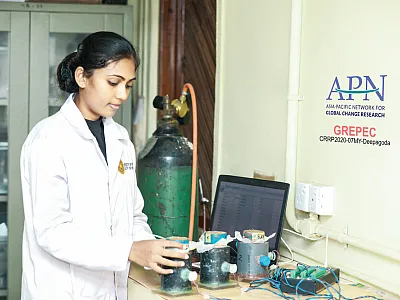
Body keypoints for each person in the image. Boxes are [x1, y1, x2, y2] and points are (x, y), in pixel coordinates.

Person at [20, 31, 187, 300]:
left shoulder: (120, 139)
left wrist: (152, 250)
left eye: (128, 85)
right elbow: (52, 232)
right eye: (113, 82)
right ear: (82, 77)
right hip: (62, 291)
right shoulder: (49, 139)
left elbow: (132, 216)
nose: (121, 94)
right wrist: (129, 250)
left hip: (111, 290)